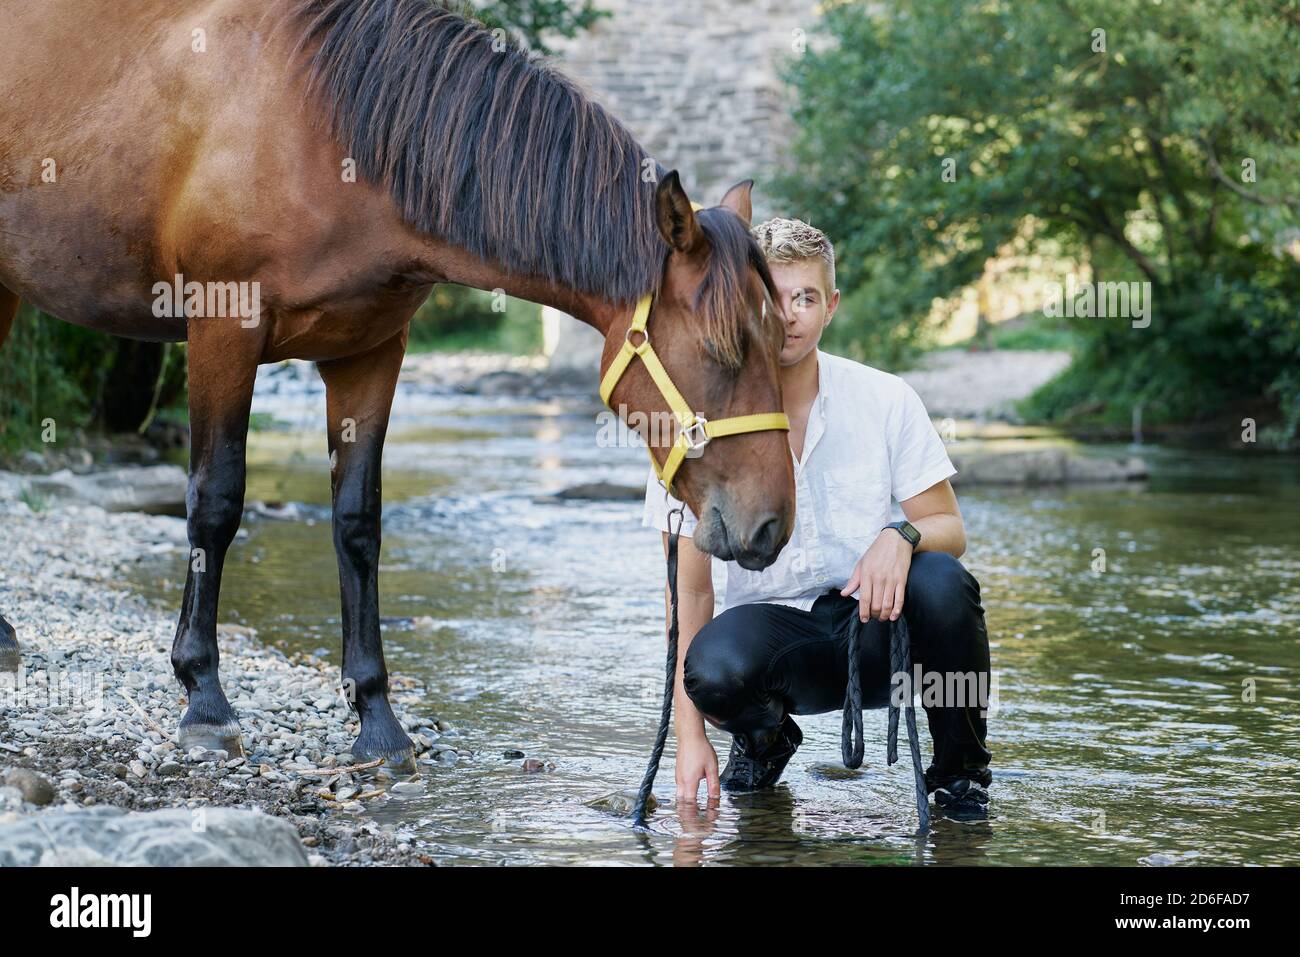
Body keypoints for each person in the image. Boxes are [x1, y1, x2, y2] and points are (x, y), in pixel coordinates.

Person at [642, 218, 993, 819]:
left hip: (881, 629)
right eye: (772, 299)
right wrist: (690, 739)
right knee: (713, 665)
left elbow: (950, 529)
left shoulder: (886, 399)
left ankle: (960, 774)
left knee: (943, 582)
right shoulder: (699, 421)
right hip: (780, 647)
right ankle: (765, 740)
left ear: (830, 306)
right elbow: (689, 595)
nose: (789, 316)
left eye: (805, 297)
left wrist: (900, 535)